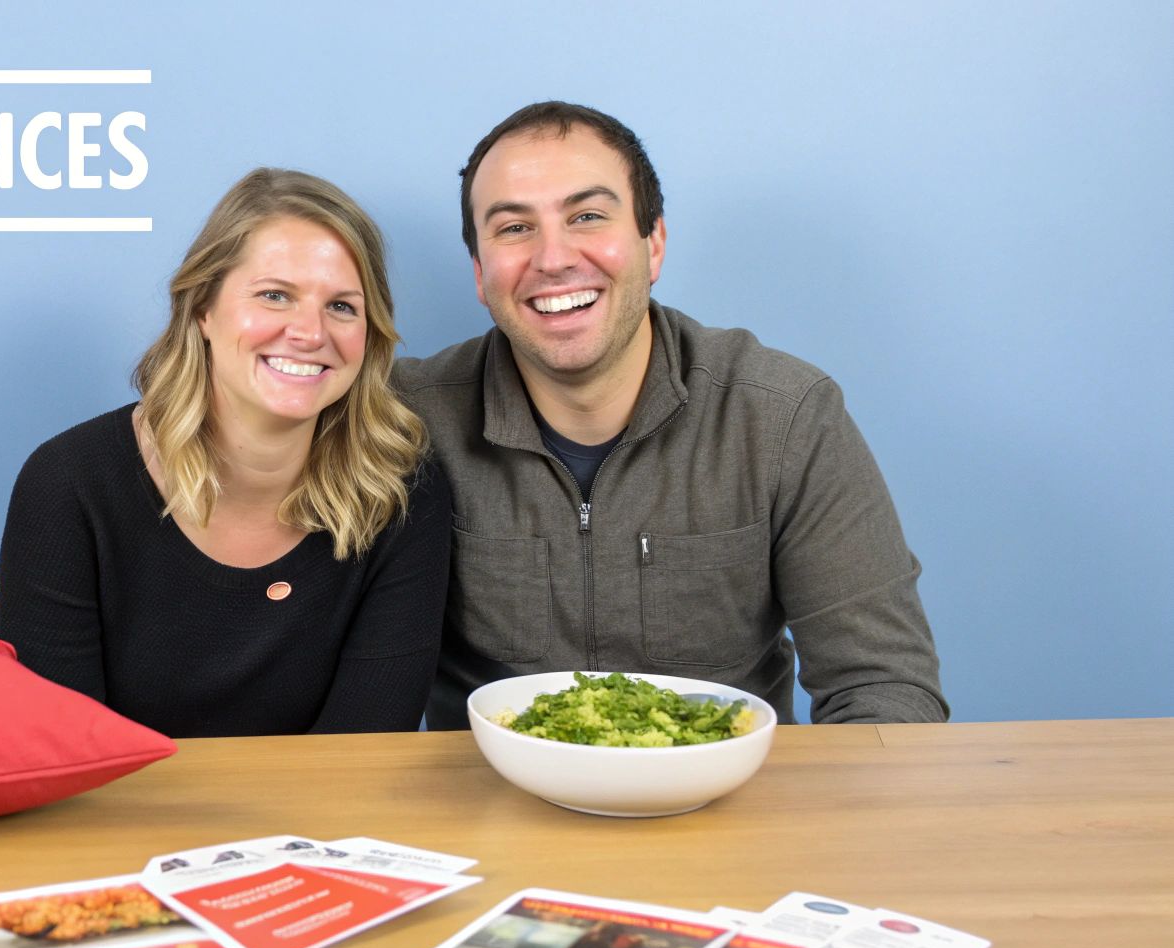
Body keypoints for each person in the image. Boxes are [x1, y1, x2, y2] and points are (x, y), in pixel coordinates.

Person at [394, 102, 945, 728]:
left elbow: (883, 684)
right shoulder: (404, 422)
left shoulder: (784, 417)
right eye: (514, 229)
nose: (552, 258)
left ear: (652, 244)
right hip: (487, 812)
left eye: (588, 216)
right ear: (479, 272)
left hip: (733, 810)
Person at [0, 168, 452, 736]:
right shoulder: (70, 483)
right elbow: (62, 751)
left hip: (320, 824)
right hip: (112, 824)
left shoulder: (400, 492)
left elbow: (360, 757)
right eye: (274, 295)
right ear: (203, 309)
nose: (310, 332)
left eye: (341, 306)